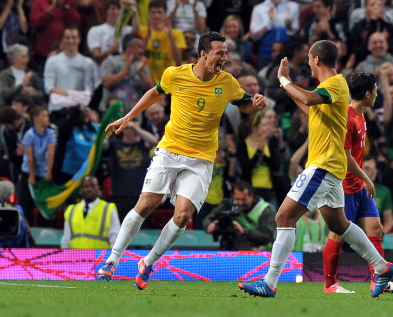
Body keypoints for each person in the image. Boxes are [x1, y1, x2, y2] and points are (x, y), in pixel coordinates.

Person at [96, 31, 267, 288]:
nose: (224, 57)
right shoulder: (174, 74)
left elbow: (245, 105)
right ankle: (112, 259)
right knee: (145, 205)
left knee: (183, 216)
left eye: (226, 53)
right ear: (203, 54)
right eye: (219, 52)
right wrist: (128, 117)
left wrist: (256, 105)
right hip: (170, 151)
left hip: (201, 159)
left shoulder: (228, 82)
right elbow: (154, 93)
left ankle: (148, 262)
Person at [238, 40, 393, 298]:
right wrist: (289, 91)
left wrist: (283, 80)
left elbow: (310, 98)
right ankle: (382, 266)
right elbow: (311, 106)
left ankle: (269, 282)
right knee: (340, 224)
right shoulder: (332, 89)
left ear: (316, 60)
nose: (309, 64)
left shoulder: (334, 83)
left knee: (283, 218)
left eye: (310, 59)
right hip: (332, 169)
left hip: (322, 166)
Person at [322, 72, 393, 294]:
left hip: (358, 186)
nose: (377, 95)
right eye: (376, 91)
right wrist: (366, 176)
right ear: (367, 94)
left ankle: (379, 280)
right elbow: (345, 157)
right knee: (337, 234)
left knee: (375, 228)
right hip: (344, 187)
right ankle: (330, 284)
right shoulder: (347, 118)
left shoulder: (361, 115)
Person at [203, 181, 275, 250]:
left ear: (251, 196)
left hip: (261, 253)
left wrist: (244, 231)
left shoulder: (265, 210)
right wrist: (209, 225)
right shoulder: (229, 204)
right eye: (237, 199)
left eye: (244, 200)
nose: (240, 203)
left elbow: (266, 238)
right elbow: (209, 218)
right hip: (236, 250)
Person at [61, 176, 120, 249]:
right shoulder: (71, 210)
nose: (89, 189)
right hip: (76, 258)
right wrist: (63, 256)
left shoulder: (108, 209)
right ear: (81, 189)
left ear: (98, 188)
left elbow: (115, 238)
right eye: (86, 186)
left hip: (100, 258)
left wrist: (114, 258)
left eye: (93, 186)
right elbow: (66, 239)